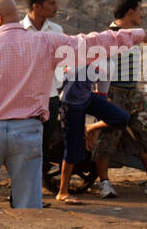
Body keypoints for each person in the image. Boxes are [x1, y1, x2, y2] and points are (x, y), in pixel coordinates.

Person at [0, 0, 147, 209]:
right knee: (28, 200)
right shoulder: (46, 42)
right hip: (28, 131)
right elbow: (92, 43)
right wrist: (138, 34)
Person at [92, 0, 147, 198]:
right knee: (106, 138)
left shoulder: (134, 35)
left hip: (134, 93)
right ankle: (104, 182)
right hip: (114, 93)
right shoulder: (109, 37)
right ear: (130, 12)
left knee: (145, 135)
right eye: (140, 10)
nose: (142, 14)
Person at [54, 35, 128, 205]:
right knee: (73, 148)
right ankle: (63, 191)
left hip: (88, 99)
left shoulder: (108, 65)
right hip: (69, 103)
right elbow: (59, 84)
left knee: (121, 117)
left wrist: (95, 127)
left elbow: (102, 93)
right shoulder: (74, 57)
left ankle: (90, 129)